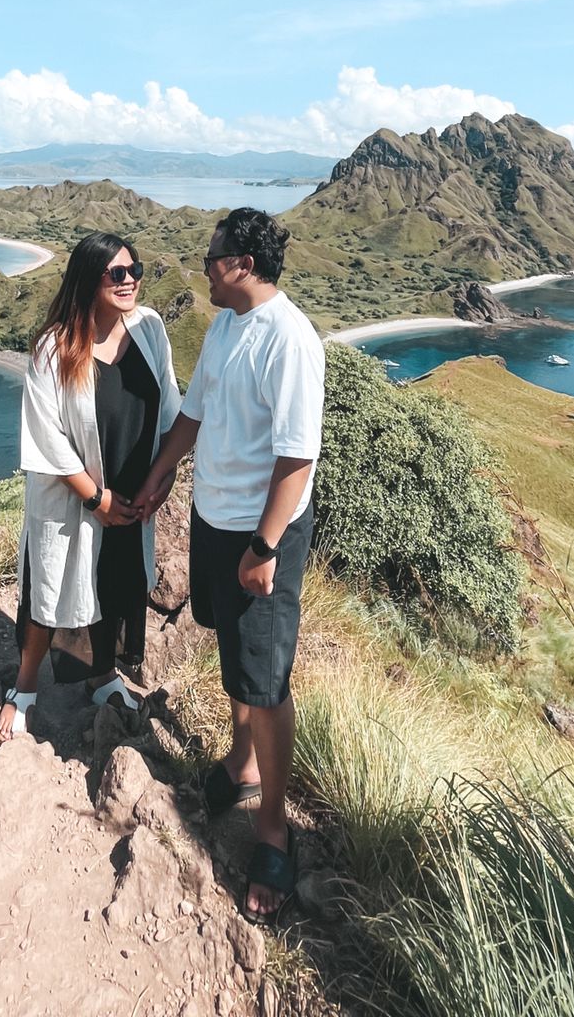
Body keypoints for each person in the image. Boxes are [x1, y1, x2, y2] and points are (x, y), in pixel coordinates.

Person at [135, 208, 324, 925]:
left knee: (268, 677)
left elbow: (296, 454)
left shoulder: (291, 340)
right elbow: (194, 415)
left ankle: (273, 828)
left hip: (259, 532)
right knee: (232, 650)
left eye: (212, 254)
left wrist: (265, 548)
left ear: (242, 263)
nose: (203, 263)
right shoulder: (223, 329)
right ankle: (242, 760)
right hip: (216, 522)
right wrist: (160, 479)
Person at [0, 230, 181, 747]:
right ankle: (26, 686)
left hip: (131, 489)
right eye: (116, 273)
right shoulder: (56, 348)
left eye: (134, 270)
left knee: (113, 585)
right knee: (50, 587)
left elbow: (168, 405)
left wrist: (158, 484)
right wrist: (95, 499)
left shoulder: (150, 329)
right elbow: (45, 435)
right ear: (88, 280)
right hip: (72, 497)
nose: (130, 281)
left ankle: (102, 675)